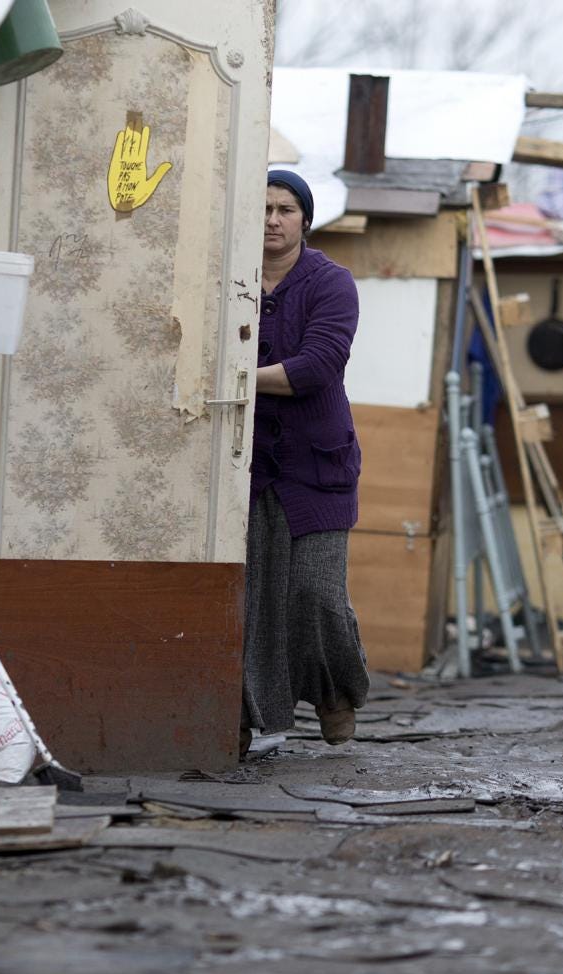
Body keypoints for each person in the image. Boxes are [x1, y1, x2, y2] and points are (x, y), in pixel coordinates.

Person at [243, 168, 371, 755]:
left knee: (316, 594)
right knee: (259, 597)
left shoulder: (332, 283)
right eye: (264, 208)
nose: (273, 220)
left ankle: (334, 695)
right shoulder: (232, 280)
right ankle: (252, 716)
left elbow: (317, 367)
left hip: (318, 466)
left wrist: (237, 380)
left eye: (285, 209)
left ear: (305, 219)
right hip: (249, 466)